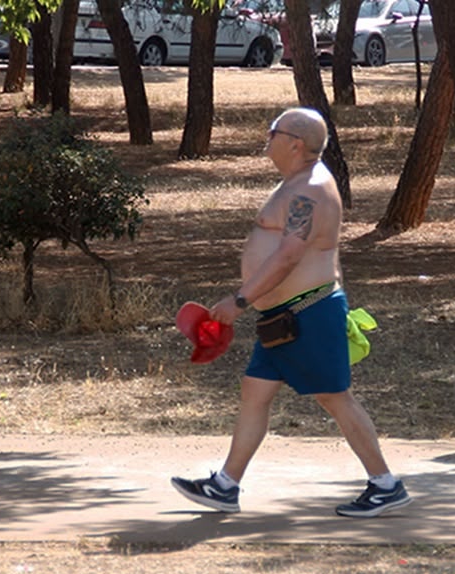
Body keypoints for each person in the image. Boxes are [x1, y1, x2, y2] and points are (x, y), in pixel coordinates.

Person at [170, 107, 412, 518]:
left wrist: (240, 300)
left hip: (307, 314)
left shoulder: (309, 190)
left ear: (295, 143)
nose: (267, 138)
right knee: (254, 390)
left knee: (335, 398)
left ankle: (385, 485)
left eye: (273, 132)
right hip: (285, 317)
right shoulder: (299, 183)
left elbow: (287, 257)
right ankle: (225, 486)